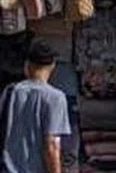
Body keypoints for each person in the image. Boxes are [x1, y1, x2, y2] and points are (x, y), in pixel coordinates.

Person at [0, 39, 71, 173]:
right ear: (52, 66)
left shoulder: (10, 92)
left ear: (27, 65)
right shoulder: (56, 98)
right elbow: (52, 146)